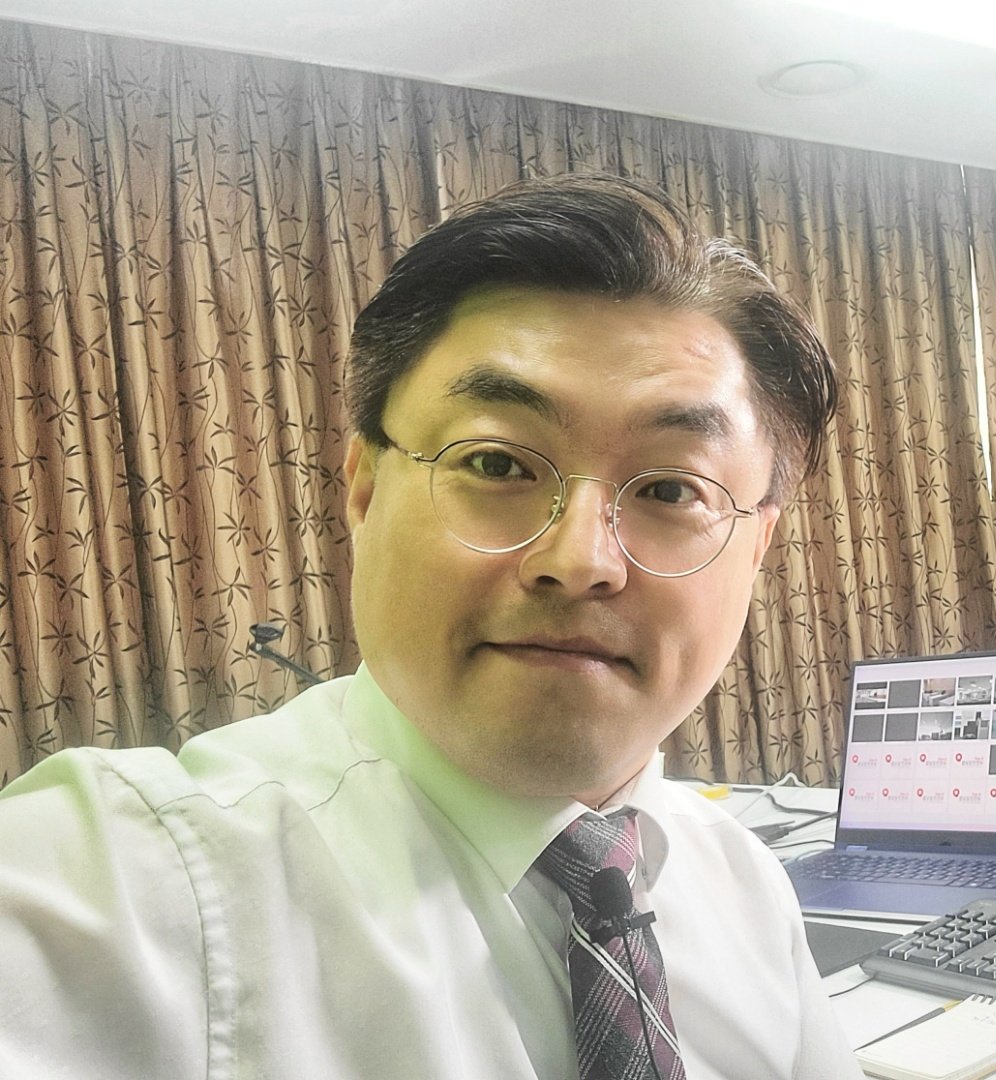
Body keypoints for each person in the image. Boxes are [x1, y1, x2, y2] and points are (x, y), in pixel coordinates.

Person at [0, 175, 861, 1079]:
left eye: (671, 488)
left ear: (756, 546)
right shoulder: (124, 884)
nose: (579, 560)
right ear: (364, 490)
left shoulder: (745, 886)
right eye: (495, 463)